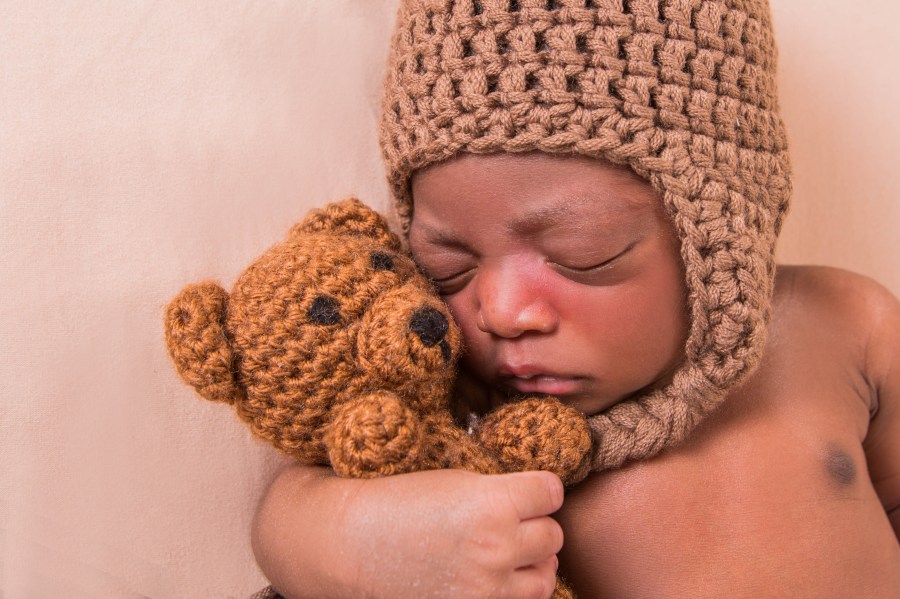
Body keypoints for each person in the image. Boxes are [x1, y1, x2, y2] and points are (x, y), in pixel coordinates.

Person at [251, 1, 900, 597]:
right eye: (449, 267)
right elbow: (287, 512)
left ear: (721, 223)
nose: (504, 312)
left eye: (584, 254)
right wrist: (362, 535)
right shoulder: (464, 404)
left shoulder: (845, 324)